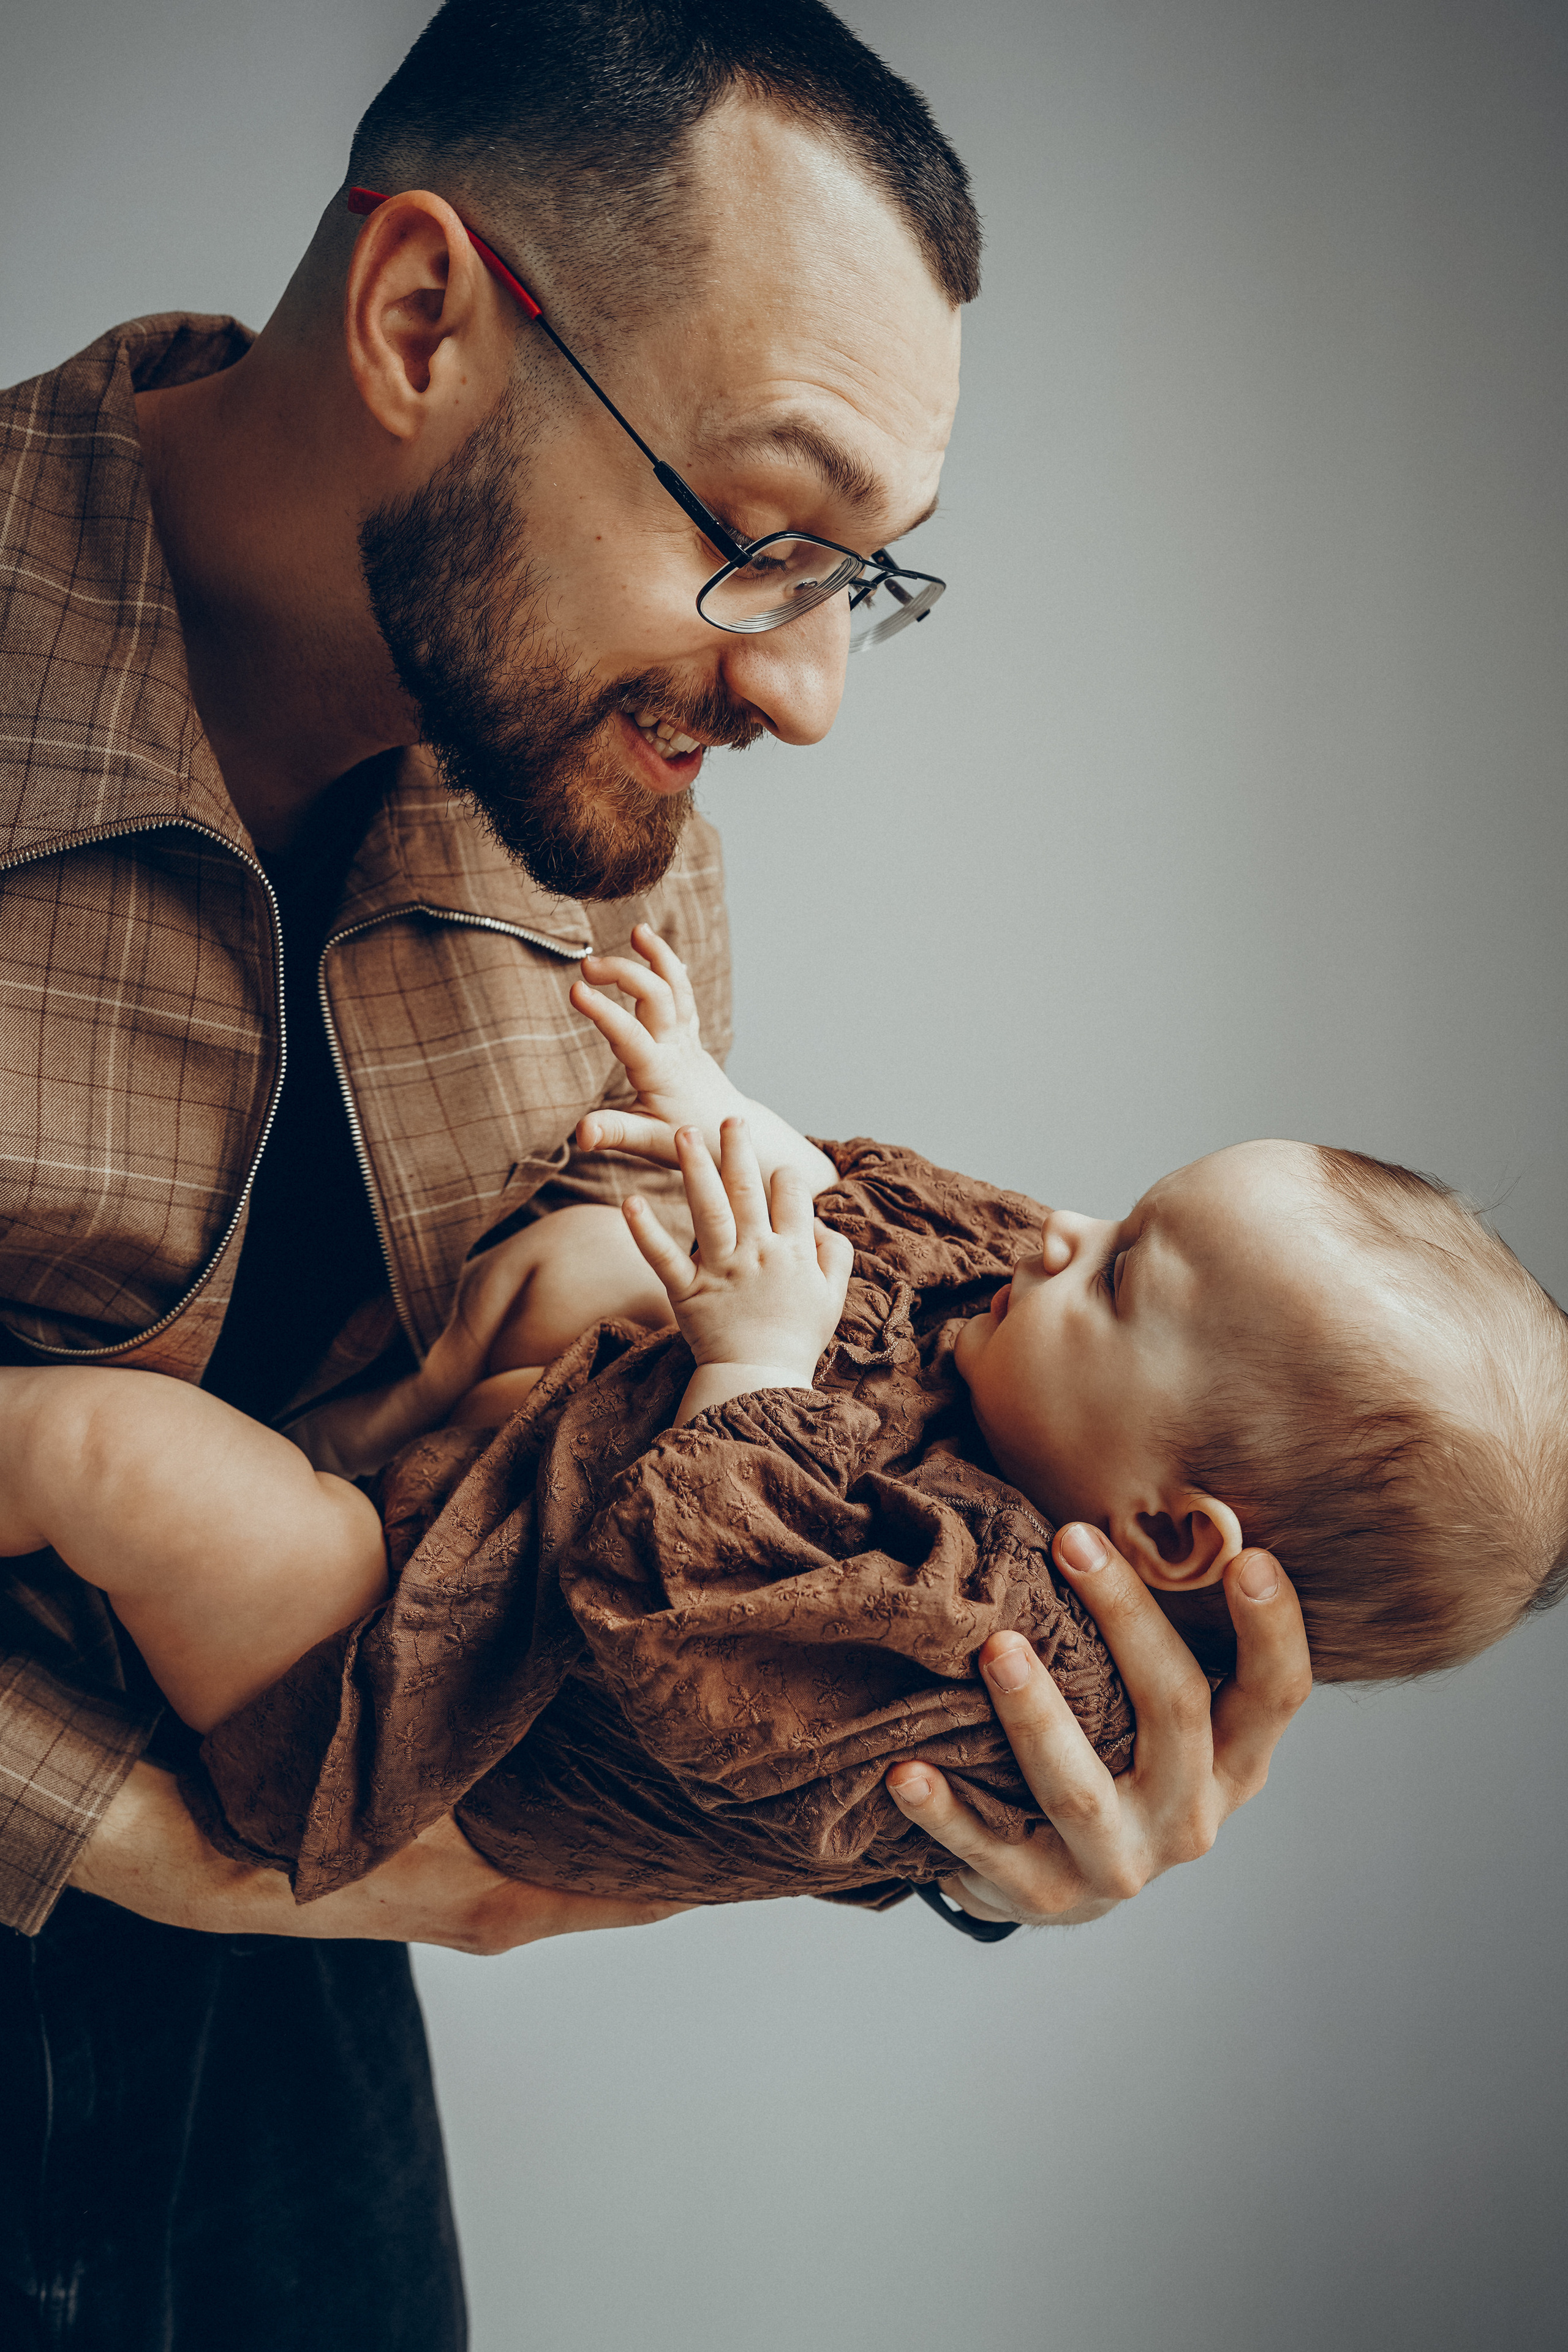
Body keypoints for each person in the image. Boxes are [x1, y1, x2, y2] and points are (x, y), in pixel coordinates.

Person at [0, 2, 1313, 2344]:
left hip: (292, 2139)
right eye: (766, 535)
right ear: (424, 321)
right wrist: (169, 1856)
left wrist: (1001, 1776)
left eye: (863, 579)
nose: (807, 693)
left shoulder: (602, 817)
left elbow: (715, 1528)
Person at [5, 927, 1561, 1917]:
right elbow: (842, 1213)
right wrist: (709, 1104)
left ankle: (244, 1491)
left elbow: (708, 1638)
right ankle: (360, 1423)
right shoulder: (1019, 1343)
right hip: (482, 1504)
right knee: (595, 1259)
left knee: (114, 1459)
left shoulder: (1008, 1659)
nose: (1056, 1230)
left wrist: (752, 1364)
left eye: (1122, 1268)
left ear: (1169, 1526)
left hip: (412, 1689)